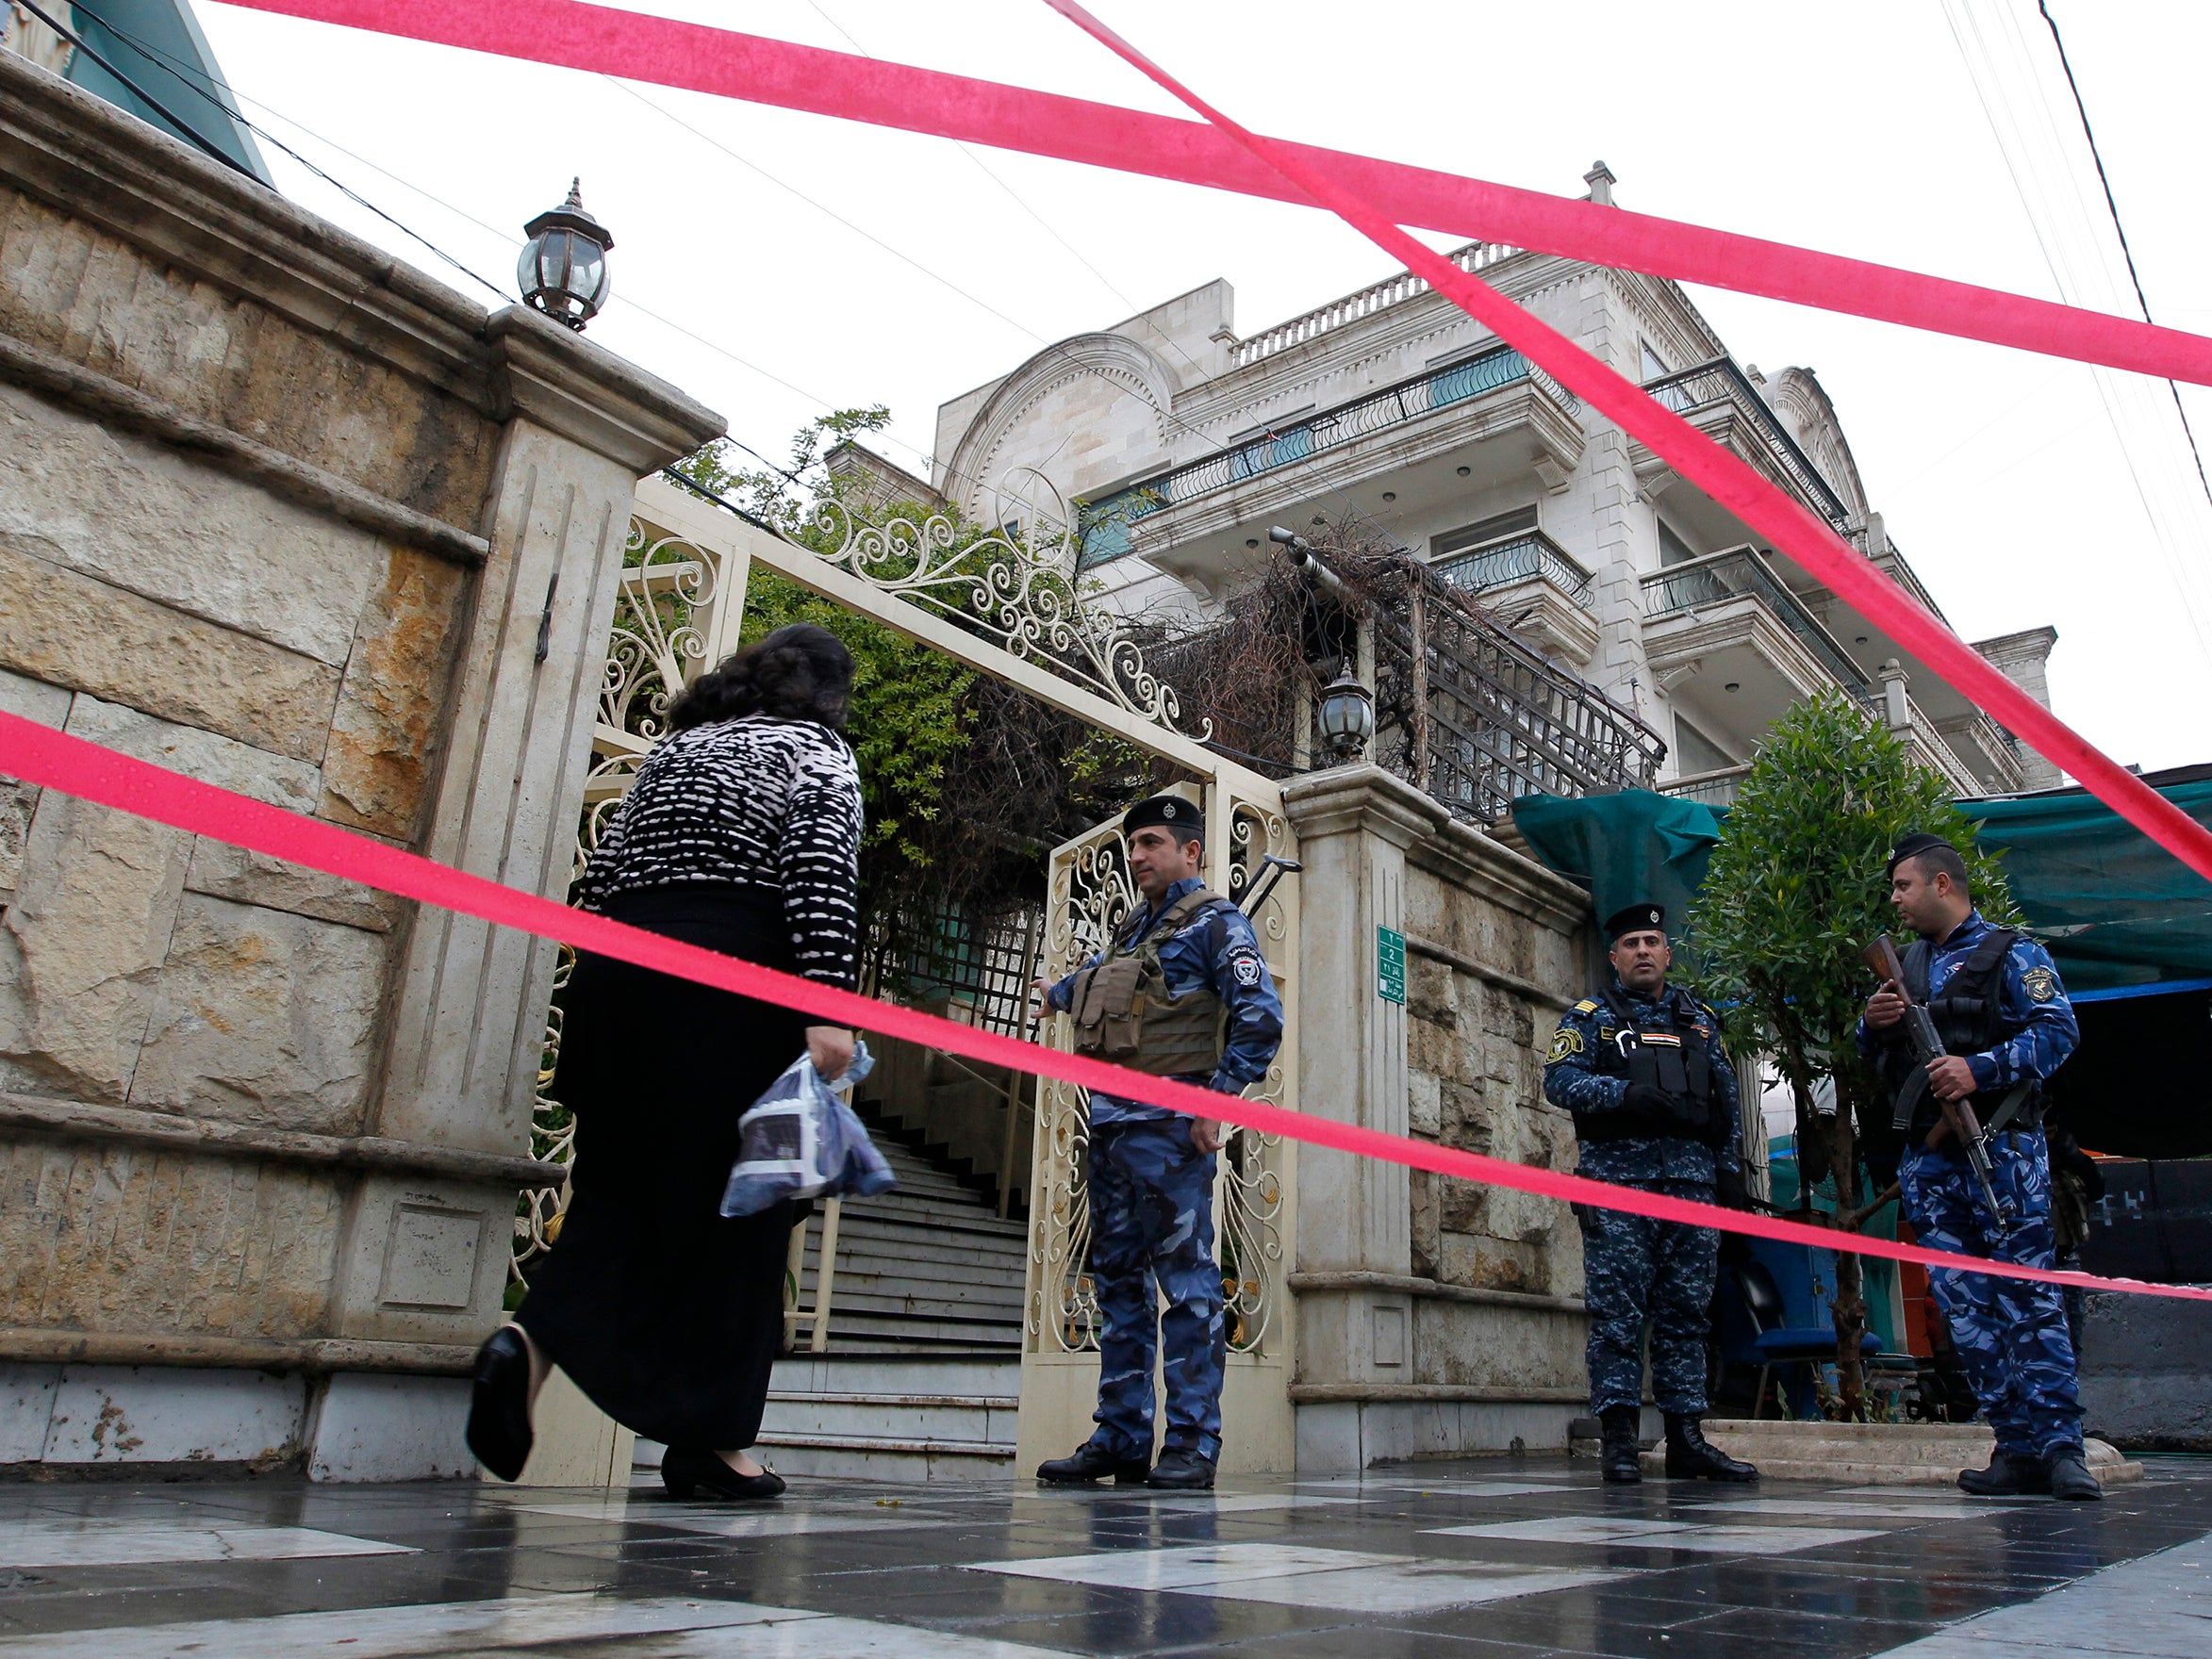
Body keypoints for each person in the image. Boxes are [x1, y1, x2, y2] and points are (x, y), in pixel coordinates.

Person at [465, 624, 866, 1502]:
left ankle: (530, 1347)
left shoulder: (674, 753)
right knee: (747, 1215)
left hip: (619, 990)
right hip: (733, 989)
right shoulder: (815, 751)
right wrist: (829, 1001)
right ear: (830, 694)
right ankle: (713, 1442)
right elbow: (819, 869)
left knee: (624, 1196)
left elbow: (600, 878)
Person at [1028, 795, 1283, 1490]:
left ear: (1190, 852)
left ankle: (1193, 1443)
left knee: (1189, 1285)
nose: (1135, 856)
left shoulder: (1217, 923)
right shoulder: (1136, 929)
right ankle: (1121, 1437)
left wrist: (1216, 1099)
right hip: (1109, 1129)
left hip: (1171, 1132)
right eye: (1131, 845)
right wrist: (1054, 993)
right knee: (1117, 1286)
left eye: (1149, 843)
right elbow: (1100, 983)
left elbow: (1260, 1017)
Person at [1859, 831, 2093, 1500]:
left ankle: (2060, 1448)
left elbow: (2059, 1031)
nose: (1895, 898)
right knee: (1965, 1308)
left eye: (1904, 885)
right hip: (1932, 1163)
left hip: (2002, 1150)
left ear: (1942, 884)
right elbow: (1875, 1054)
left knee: (2029, 1299)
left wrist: (1980, 1069)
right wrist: (1872, 1024)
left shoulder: (2015, 953)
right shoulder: (1905, 964)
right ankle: (2014, 1445)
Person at [1543, 901, 1758, 1486]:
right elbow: (1558, 1082)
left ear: (1668, 952)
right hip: (1620, 1187)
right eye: (1631, 942)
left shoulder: (1701, 1020)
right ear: (1614, 957)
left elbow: (1725, 1099)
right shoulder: (1589, 1017)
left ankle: (1687, 1438)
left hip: (1691, 1188)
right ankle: (1617, 1439)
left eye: (1652, 941)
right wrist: (1620, 1096)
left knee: (1687, 1316)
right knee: (1617, 1316)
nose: (1642, 951)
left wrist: (1729, 1172)